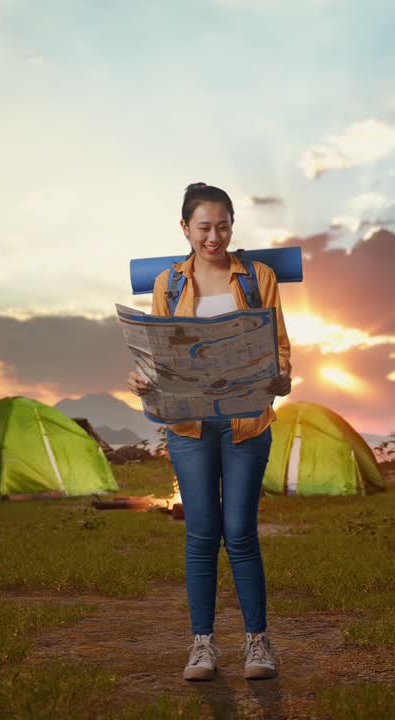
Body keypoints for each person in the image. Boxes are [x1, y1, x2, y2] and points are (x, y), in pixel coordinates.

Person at [127, 182, 292, 682]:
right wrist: (143, 379)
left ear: (232, 225)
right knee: (200, 534)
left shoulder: (257, 277)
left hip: (246, 423)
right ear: (185, 228)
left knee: (240, 532)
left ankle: (257, 644)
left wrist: (278, 376)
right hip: (189, 424)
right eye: (204, 227)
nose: (214, 237)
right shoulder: (169, 284)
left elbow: (280, 348)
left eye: (223, 226)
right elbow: (157, 356)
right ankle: (202, 645)